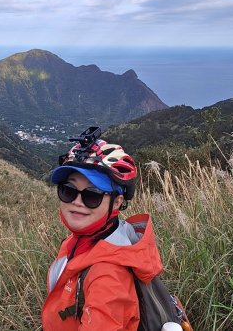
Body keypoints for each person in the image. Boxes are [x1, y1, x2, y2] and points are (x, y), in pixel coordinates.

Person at [41, 127, 165, 331]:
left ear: (116, 203)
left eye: (93, 195)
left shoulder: (107, 276)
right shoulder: (90, 239)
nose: (77, 202)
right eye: (68, 190)